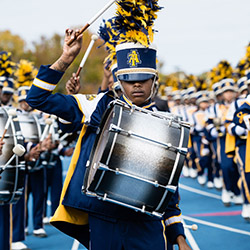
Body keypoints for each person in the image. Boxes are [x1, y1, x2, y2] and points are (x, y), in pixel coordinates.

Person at [26, 28, 191, 250]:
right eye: (129, 80)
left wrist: (179, 237)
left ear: (155, 80)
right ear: (119, 81)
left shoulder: (168, 124)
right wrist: (65, 58)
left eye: (144, 79)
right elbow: (37, 98)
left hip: (146, 222)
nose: (137, 85)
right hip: (103, 218)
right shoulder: (97, 105)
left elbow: (167, 189)